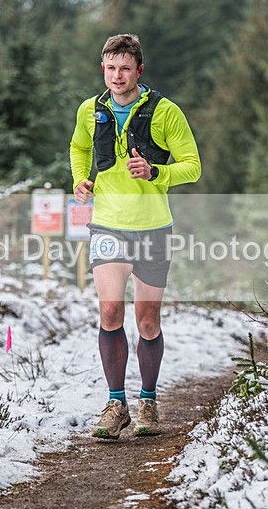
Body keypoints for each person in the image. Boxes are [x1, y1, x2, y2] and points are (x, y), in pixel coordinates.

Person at [69, 33, 201, 439]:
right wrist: (80, 180)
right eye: (110, 68)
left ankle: (147, 401)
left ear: (138, 70)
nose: (117, 75)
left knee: (146, 321)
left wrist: (157, 173)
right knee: (110, 313)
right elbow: (78, 149)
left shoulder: (165, 112)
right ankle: (115, 403)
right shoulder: (90, 110)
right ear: (103, 69)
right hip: (108, 224)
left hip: (153, 228)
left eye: (125, 68)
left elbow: (193, 166)